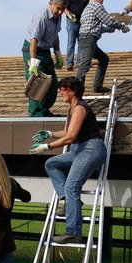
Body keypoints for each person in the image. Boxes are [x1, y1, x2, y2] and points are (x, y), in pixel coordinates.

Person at [29, 77, 106, 244]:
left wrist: (47, 147)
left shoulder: (79, 108)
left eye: (64, 89)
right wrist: (49, 133)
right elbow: (66, 132)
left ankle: (73, 232)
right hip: (79, 150)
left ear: (74, 91)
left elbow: (70, 137)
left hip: (91, 149)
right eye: (60, 89)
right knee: (51, 164)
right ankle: (67, 201)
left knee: (72, 186)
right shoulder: (72, 110)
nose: (61, 92)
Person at [22, 0, 68, 117]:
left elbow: (55, 34)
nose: (60, 12)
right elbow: (34, 40)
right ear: (51, 4)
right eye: (58, 8)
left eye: (63, 9)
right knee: (37, 83)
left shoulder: (58, 17)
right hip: (33, 50)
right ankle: (36, 114)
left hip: (45, 51)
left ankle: (45, 110)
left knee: (52, 83)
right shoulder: (41, 17)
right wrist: (33, 62)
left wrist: (57, 52)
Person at [77, 0, 130, 94]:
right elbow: (109, 20)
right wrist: (121, 26)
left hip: (86, 38)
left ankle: (97, 86)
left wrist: (112, 29)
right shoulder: (97, 6)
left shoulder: (88, 8)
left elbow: (97, 26)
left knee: (104, 59)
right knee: (85, 65)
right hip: (89, 39)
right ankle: (76, 92)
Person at [64, 0, 90, 71]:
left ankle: (80, 62)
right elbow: (64, 7)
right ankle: (69, 62)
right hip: (72, 21)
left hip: (82, 22)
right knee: (71, 42)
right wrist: (69, 14)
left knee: (81, 42)